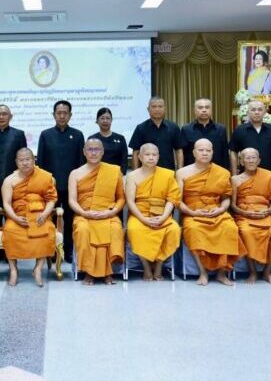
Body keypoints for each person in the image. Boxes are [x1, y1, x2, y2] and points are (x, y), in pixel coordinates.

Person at [176, 139, 245, 286]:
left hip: (216, 210)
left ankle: (222, 273)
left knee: (230, 228)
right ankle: (202, 273)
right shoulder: (182, 173)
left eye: (208, 150)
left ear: (212, 153)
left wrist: (220, 209)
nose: (205, 153)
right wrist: (192, 212)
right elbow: (177, 200)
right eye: (201, 150)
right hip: (192, 212)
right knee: (193, 230)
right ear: (194, 153)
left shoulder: (222, 172)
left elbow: (226, 199)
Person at [68, 138, 125, 285]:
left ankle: (108, 271)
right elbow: (72, 200)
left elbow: (121, 198)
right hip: (84, 215)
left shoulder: (113, 171)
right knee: (82, 229)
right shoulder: (75, 173)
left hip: (107, 213)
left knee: (115, 228)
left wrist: (111, 213)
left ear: (102, 152)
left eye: (97, 149)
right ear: (84, 152)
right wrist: (84, 213)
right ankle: (89, 272)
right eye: (90, 149)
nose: (93, 153)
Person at [0, 148, 58, 287]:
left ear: (33, 160)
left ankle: (37, 269)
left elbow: (51, 199)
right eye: (21, 160)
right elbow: (6, 203)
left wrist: (44, 214)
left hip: (39, 216)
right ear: (16, 162)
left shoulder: (44, 177)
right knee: (9, 232)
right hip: (18, 217)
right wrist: (14, 218)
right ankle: (13, 270)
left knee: (46, 232)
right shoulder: (9, 180)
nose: (25, 163)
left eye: (28, 159)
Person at [37, 100, 85, 262]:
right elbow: (41, 163)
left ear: (70, 115)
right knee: (50, 220)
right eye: (59, 113)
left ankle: (69, 250)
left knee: (71, 220)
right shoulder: (45, 135)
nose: (62, 116)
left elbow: (81, 164)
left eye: (65, 113)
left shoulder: (78, 135)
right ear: (54, 115)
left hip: (72, 187)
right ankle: (51, 250)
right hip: (51, 187)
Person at [125, 143, 181, 281]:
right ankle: (146, 267)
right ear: (139, 156)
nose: (151, 158)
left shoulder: (167, 174)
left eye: (154, 155)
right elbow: (130, 201)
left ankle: (159, 266)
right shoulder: (132, 176)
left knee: (173, 230)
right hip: (140, 214)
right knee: (134, 230)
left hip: (162, 213)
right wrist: (143, 219)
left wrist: (163, 217)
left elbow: (172, 199)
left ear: (158, 157)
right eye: (147, 155)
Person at [230, 148, 271, 284]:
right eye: (247, 158)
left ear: (259, 160)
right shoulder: (235, 179)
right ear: (241, 161)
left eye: (254, 158)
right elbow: (233, 205)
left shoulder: (269, 176)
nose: (251, 160)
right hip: (244, 215)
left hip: (264, 213)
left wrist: (269, 210)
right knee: (246, 232)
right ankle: (252, 272)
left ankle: (267, 271)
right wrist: (244, 213)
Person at [129, 96, 186, 170]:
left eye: (160, 106)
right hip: (145, 172)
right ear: (148, 109)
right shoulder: (140, 128)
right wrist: (135, 173)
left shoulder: (173, 127)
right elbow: (136, 152)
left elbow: (179, 151)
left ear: (165, 109)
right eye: (154, 106)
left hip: (167, 172)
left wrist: (179, 171)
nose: (157, 109)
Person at [229, 100, 271, 175]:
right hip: (245, 175)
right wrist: (234, 174)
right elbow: (233, 152)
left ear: (265, 112)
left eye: (260, 109)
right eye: (253, 110)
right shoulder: (239, 130)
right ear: (248, 113)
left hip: (268, 175)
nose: (257, 112)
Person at [181, 98, 229, 169]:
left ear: (211, 110)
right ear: (194, 111)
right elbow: (182, 153)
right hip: (193, 172)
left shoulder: (221, 129)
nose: (204, 110)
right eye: (200, 108)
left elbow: (225, 154)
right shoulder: (186, 129)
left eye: (207, 107)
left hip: (216, 172)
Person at [89, 107, 129, 174]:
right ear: (97, 121)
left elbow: (124, 160)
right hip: (97, 175)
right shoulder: (92, 139)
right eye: (102, 118)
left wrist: (121, 174)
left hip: (116, 175)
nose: (105, 121)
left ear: (111, 120)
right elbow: (89, 160)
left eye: (108, 118)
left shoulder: (120, 138)